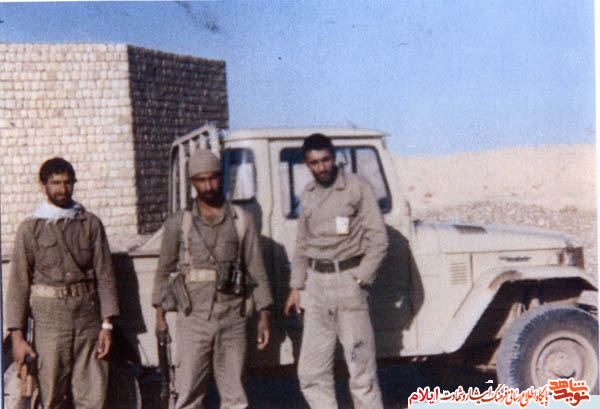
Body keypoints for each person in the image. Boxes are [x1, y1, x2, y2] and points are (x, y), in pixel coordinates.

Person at [152, 149, 273, 409]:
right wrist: (160, 316)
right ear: (192, 182)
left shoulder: (242, 219)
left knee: (235, 395)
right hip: (193, 318)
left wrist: (264, 314)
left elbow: (256, 268)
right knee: (188, 392)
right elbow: (163, 270)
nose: (208, 186)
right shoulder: (179, 222)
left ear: (221, 177)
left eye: (213, 178)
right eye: (201, 180)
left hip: (233, 316)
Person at [284, 133, 389, 409]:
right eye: (314, 162)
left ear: (334, 157)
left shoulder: (356, 187)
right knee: (311, 372)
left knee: (361, 371)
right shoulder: (308, 194)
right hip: (316, 288)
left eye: (325, 160)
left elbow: (378, 238)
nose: (321, 167)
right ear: (307, 164)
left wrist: (361, 278)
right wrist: (296, 286)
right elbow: (302, 243)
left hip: (348, 284)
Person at [6, 157, 119, 409]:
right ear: (43, 185)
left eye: (68, 183)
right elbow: (18, 284)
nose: (62, 189)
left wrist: (107, 325)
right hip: (49, 319)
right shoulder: (30, 228)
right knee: (50, 393)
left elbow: (105, 275)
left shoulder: (89, 223)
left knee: (93, 394)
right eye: (56, 183)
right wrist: (17, 337)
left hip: (87, 315)